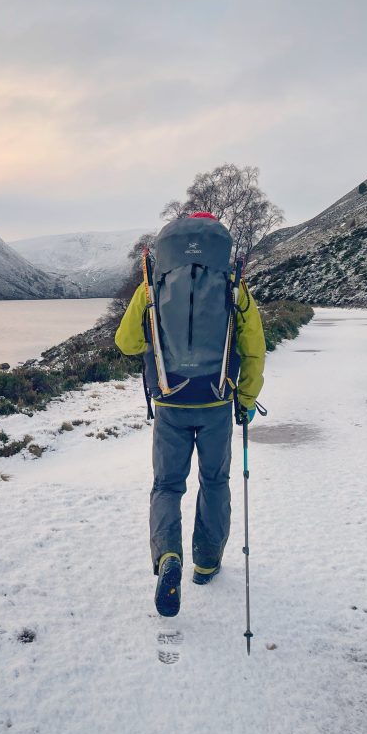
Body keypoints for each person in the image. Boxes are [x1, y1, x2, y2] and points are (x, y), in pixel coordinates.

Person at [114, 211, 266, 617]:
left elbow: (126, 342)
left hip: (169, 402)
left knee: (167, 485)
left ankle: (168, 557)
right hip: (216, 401)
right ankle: (206, 562)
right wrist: (246, 399)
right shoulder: (234, 286)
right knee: (215, 482)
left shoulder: (153, 286)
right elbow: (253, 350)